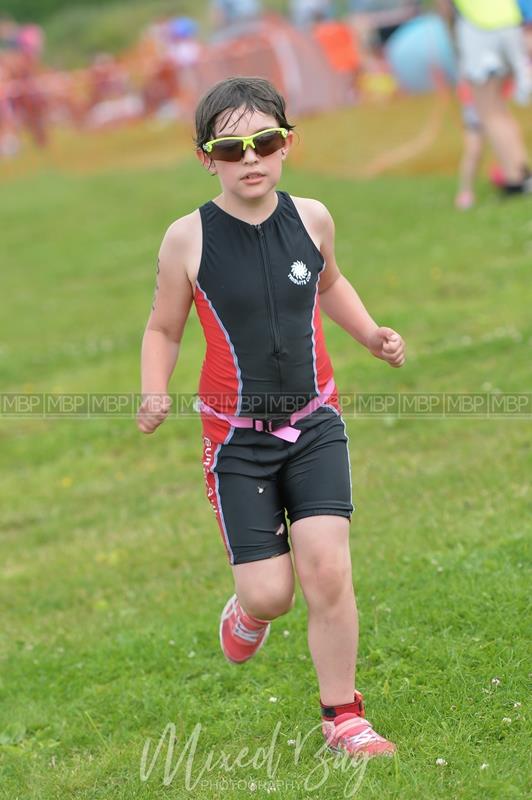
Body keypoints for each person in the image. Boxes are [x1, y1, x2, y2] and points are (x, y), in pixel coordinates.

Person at [136, 76, 405, 758]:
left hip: (316, 422)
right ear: (207, 158)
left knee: (329, 570)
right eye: (231, 148)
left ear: (287, 143)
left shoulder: (313, 218)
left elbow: (331, 283)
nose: (250, 158)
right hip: (237, 444)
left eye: (266, 140)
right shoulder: (186, 239)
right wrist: (153, 388)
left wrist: (370, 334)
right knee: (273, 592)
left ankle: (342, 715)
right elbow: (164, 328)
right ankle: (248, 609)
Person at [439, 0, 532, 195]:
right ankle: (521, 170)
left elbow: (445, 8)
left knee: (488, 111)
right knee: (500, 108)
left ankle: (514, 180)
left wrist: (451, 35)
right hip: (510, 23)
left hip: (480, 29)